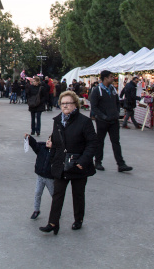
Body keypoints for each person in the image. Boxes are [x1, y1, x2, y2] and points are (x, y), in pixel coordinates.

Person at [39, 90, 98, 235]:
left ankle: (78, 220)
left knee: (78, 194)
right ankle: (53, 223)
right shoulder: (58, 121)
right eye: (62, 103)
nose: (65, 106)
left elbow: (93, 143)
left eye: (68, 103)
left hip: (78, 165)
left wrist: (83, 161)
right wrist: (52, 159)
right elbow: (56, 142)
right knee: (57, 194)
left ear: (75, 105)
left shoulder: (85, 122)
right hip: (61, 164)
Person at [90, 70, 133, 172]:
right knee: (100, 142)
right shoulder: (97, 90)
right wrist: (103, 117)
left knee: (116, 142)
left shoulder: (112, 89)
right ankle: (98, 162)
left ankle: (121, 164)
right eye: (111, 77)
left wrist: (116, 113)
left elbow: (117, 102)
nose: (113, 78)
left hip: (113, 120)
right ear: (105, 78)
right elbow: (94, 107)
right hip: (102, 121)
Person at [25, 133, 54, 220]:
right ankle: (36, 210)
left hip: (50, 178)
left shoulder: (55, 153)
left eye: (51, 140)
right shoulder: (42, 149)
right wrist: (30, 138)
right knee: (37, 193)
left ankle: (56, 210)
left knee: (54, 195)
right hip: (40, 176)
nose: (48, 141)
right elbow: (35, 145)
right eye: (48, 139)